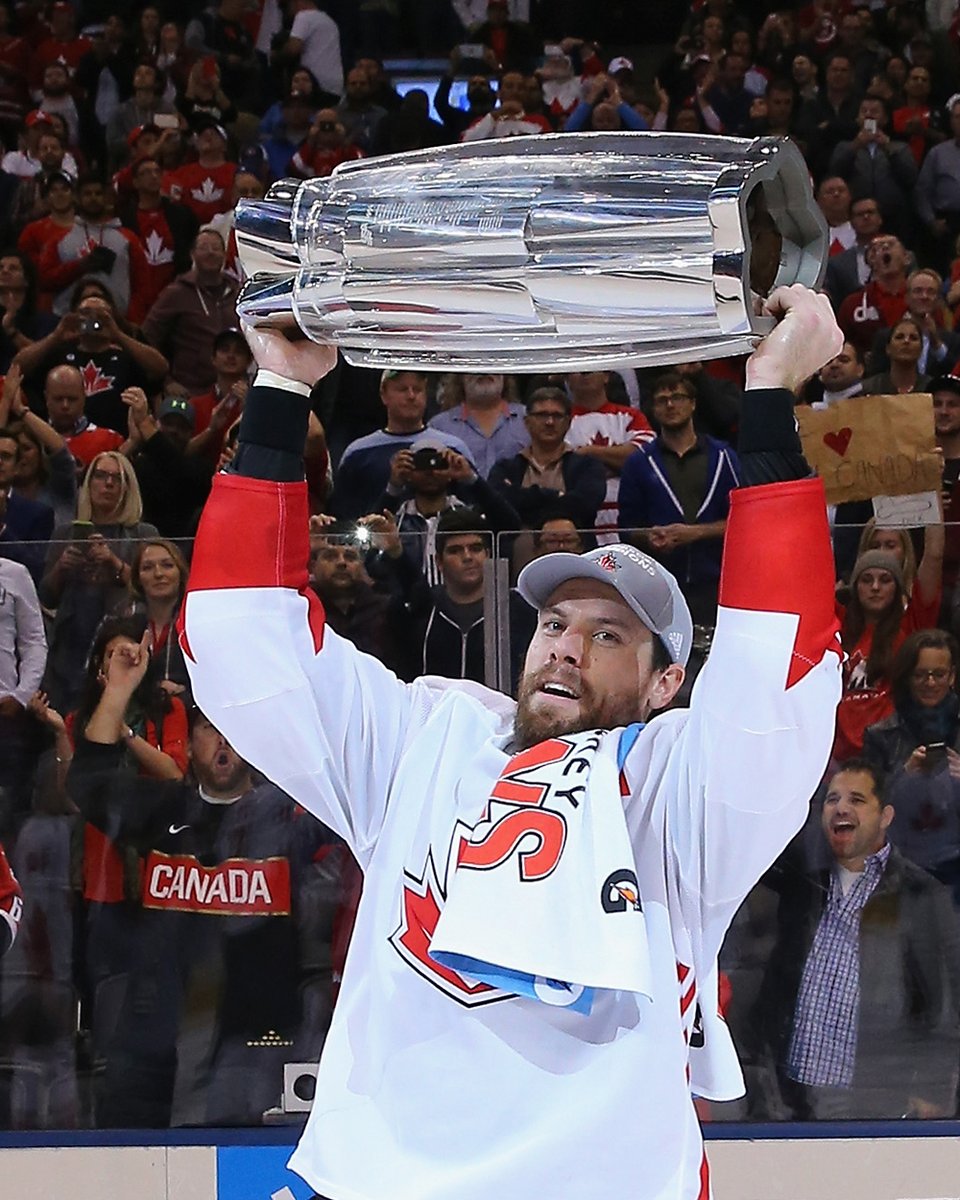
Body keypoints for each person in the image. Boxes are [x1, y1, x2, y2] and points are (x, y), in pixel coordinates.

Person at [181, 285, 843, 1200]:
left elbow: (783, 674)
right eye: (556, 622)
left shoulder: (677, 794)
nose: (567, 644)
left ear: (666, 686)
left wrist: (769, 397)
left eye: (609, 636)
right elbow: (239, 639)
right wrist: (280, 389)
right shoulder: (429, 739)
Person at [748, 759, 960, 1120]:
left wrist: (931, 1092)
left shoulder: (921, 894)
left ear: (886, 816)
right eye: (832, 800)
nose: (841, 808)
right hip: (790, 1103)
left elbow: (944, 1003)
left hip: (876, 1104)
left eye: (857, 800)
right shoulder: (802, 885)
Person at [618, 371, 740, 627]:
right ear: (653, 408)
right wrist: (649, 536)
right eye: (662, 400)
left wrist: (695, 533)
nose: (671, 405)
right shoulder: (639, 462)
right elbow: (627, 527)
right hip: (660, 584)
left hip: (718, 583)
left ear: (693, 403)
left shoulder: (724, 457)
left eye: (677, 397)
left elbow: (743, 521)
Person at [39, 454, 158, 714]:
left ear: (128, 487)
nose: (108, 484)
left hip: (123, 644)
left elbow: (155, 590)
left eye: (117, 478)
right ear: (88, 483)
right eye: (101, 476)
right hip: (69, 651)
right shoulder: (65, 533)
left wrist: (114, 564)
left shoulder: (143, 534)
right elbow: (46, 597)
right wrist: (62, 568)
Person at [864, 630, 960, 896]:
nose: (930, 683)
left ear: (951, 676)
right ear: (907, 677)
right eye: (920, 674)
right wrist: (903, 777)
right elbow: (867, 813)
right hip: (899, 866)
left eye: (938, 674)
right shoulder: (880, 735)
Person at [833, 535, 943, 763]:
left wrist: (930, 503)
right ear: (855, 586)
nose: (875, 587)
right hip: (836, 758)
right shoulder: (839, 623)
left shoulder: (910, 625)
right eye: (866, 579)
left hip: (890, 756)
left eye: (885, 580)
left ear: (897, 587)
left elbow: (934, 556)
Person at [331, 369, 470, 521]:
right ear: (384, 395)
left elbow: (475, 508)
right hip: (375, 540)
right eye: (402, 389)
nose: (411, 396)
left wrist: (467, 476)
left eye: (417, 389)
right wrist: (393, 486)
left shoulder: (453, 448)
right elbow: (342, 516)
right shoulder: (359, 453)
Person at [487, 386, 607, 533]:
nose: (549, 422)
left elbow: (583, 507)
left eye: (557, 416)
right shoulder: (505, 468)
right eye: (542, 415)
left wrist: (524, 500)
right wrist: (555, 496)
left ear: (568, 423)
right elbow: (498, 507)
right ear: (527, 422)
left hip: (574, 550)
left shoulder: (588, 466)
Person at [142, 228, 239, 394]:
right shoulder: (176, 293)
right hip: (188, 391)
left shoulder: (238, 293)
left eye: (216, 248)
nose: (210, 253)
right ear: (192, 254)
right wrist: (167, 382)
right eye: (204, 248)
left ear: (224, 255)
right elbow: (146, 338)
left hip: (234, 390)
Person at [860, 315, 930, 395]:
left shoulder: (932, 388)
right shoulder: (868, 389)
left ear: (921, 349)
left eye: (913, 338)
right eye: (899, 337)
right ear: (888, 348)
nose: (906, 341)